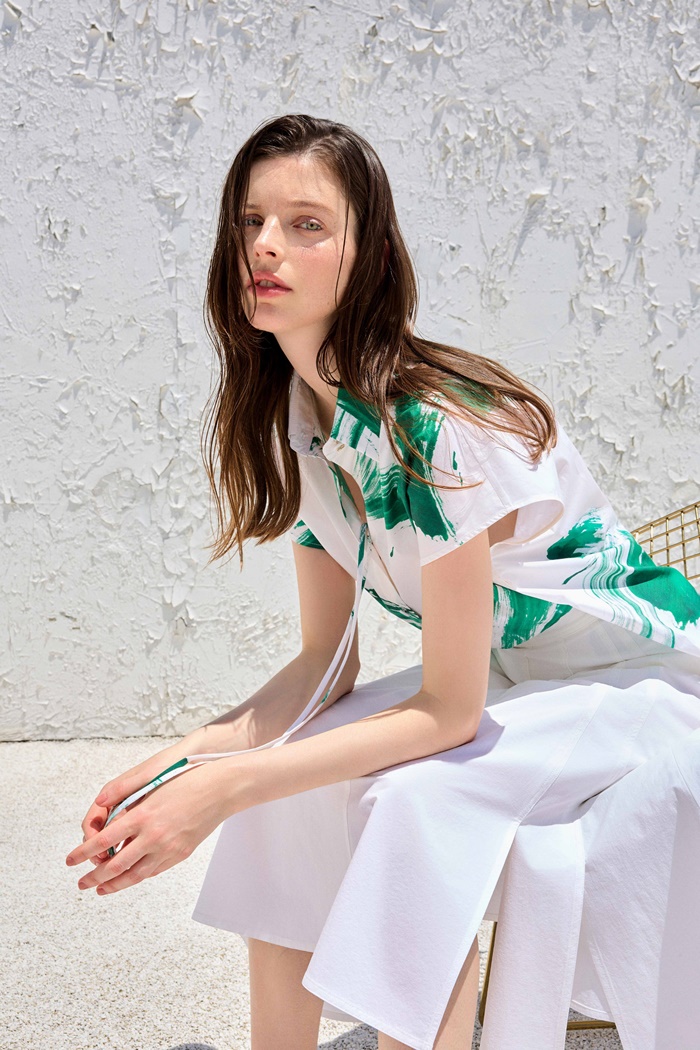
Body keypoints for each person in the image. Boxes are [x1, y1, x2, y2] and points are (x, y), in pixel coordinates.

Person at [66, 114, 700, 1050]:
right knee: (285, 783)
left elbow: (447, 713)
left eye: (307, 225)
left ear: (368, 255)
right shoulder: (304, 427)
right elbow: (324, 662)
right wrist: (185, 763)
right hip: (522, 680)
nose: (266, 246)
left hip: (642, 684)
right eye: (249, 222)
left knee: (413, 801)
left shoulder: (433, 429)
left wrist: (224, 789)